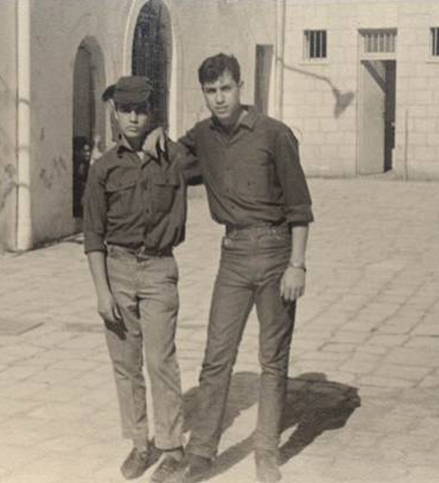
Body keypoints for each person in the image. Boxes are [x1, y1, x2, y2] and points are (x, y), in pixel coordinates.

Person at [155, 53, 315, 483]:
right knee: (216, 358)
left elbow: (300, 207)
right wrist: (149, 137)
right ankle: (201, 455)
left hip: (277, 251)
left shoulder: (275, 134)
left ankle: (267, 454)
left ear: (241, 87)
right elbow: (170, 157)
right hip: (233, 255)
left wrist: (297, 265)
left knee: (272, 360)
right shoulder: (202, 136)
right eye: (211, 91)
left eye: (226, 88)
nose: (219, 98)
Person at [83, 76, 189, 483]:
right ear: (115, 114)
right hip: (119, 270)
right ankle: (141, 444)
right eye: (126, 110)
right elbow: (93, 235)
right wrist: (102, 292)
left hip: (159, 269)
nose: (133, 118)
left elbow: (208, 147)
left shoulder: (172, 157)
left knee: (160, 359)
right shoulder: (103, 169)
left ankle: (172, 448)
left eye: (141, 110)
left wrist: (166, 135)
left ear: (151, 113)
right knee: (126, 364)